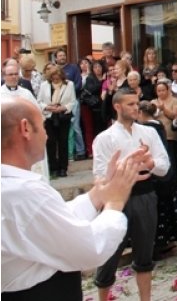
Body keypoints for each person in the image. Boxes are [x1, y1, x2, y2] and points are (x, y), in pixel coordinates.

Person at [1, 96, 149, 300]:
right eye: (42, 125)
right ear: (25, 129)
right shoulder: (22, 191)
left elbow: (53, 222)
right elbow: (90, 250)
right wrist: (115, 202)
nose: (46, 134)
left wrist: (99, 193)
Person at [92, 88, 171, 301]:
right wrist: (126, 166)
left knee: (145, 253)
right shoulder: (104, 138)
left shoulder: (149, 133)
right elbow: (99, 175)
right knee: (109, 253)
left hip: (145, 195)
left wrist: (150, 163)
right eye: (130, 104)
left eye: (137, 103)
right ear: (117, 107)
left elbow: (164, 167)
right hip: (117, 198)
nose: (136, 108)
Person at [136, 101, 177, 259]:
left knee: (160, 207)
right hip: (163, 169)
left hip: (158, 171)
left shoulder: (149, 128)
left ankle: (160, 244)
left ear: (141, 113)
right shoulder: (157, 125)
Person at [37, 66, 76, 178]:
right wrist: (48, 107)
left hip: (63, 116)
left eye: (58, 78)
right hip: (49, 117)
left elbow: (72, 102)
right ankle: (53, 168)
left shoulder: (69, 84)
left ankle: (63, 168)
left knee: (63, 142)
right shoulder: (44, 85)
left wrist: (63, 108)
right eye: (53, 78)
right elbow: (39, 101)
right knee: (51, 142)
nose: (55, 79)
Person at [55, 49, 85, 161]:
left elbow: (79, 83)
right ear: (56, 58)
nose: (62, 57)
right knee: (62, 128)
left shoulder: (73, 68)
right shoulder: (54, 69)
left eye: (64, 55)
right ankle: (66, 153)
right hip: (57, 102)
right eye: (60, 55)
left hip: (73, 101)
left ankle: (80, 151)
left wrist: (68, 92)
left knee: (75, 126)